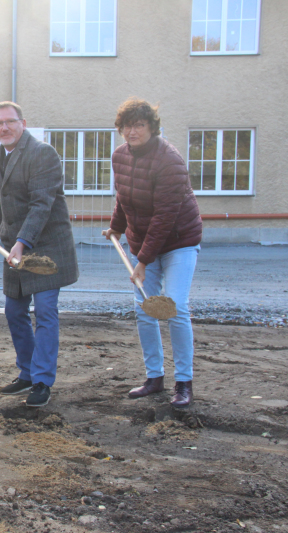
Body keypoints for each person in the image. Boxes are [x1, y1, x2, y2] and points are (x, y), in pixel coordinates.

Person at [0, 101, 79, 407]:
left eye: (10, 122)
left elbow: (41, 204)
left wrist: (22, 243)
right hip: (14, 246)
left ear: (23, 123)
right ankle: (27, 372)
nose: (4, 128)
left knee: (45, 312)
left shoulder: (42, 153)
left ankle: (43, 380)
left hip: (45, 246)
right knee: (14, 311)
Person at [103, 98, 202, 408]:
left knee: (174, 307)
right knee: (146, 309)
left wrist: (143, 261)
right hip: (143, 240)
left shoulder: (169, 160)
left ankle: (183, 382)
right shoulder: (120, 156)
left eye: (139, 125)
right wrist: (116, 227)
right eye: (127, 126)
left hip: (178, 240)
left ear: (152, 127)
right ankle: (154, 378)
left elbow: (165, 217)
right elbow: (124, 196)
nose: (132, 131)